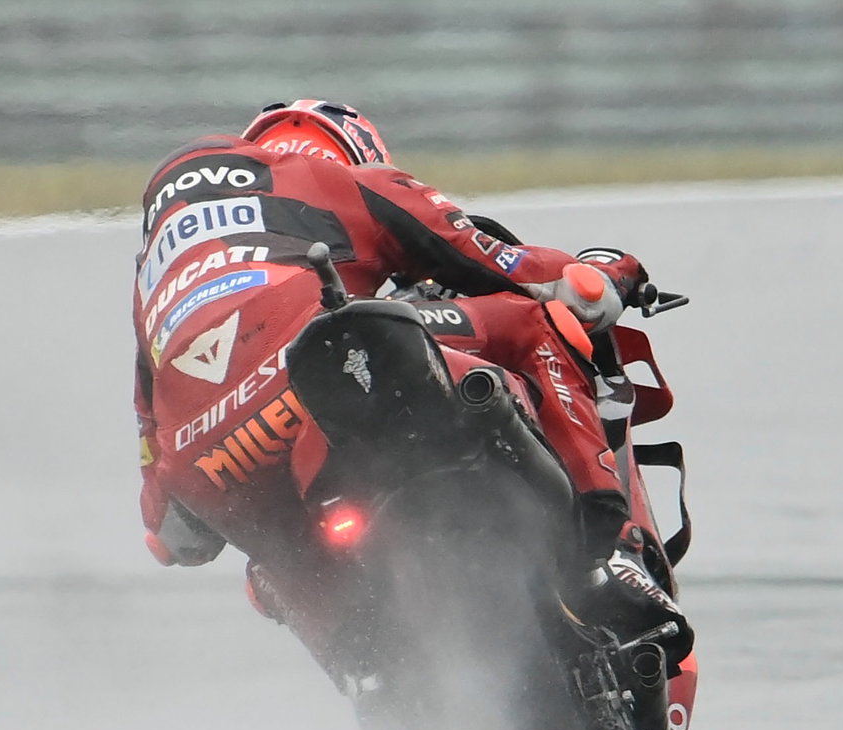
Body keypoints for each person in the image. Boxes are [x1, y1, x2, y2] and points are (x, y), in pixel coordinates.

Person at [133, 99, 692, 670]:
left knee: (273, 569)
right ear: (353, 150)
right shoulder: (336, 181)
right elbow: (521, 272)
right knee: (534, 321)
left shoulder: (152, 282)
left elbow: (171, 530)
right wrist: (614, 272)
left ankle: (371, 682)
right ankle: (603, 560)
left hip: (207, 463)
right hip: (326, 361)